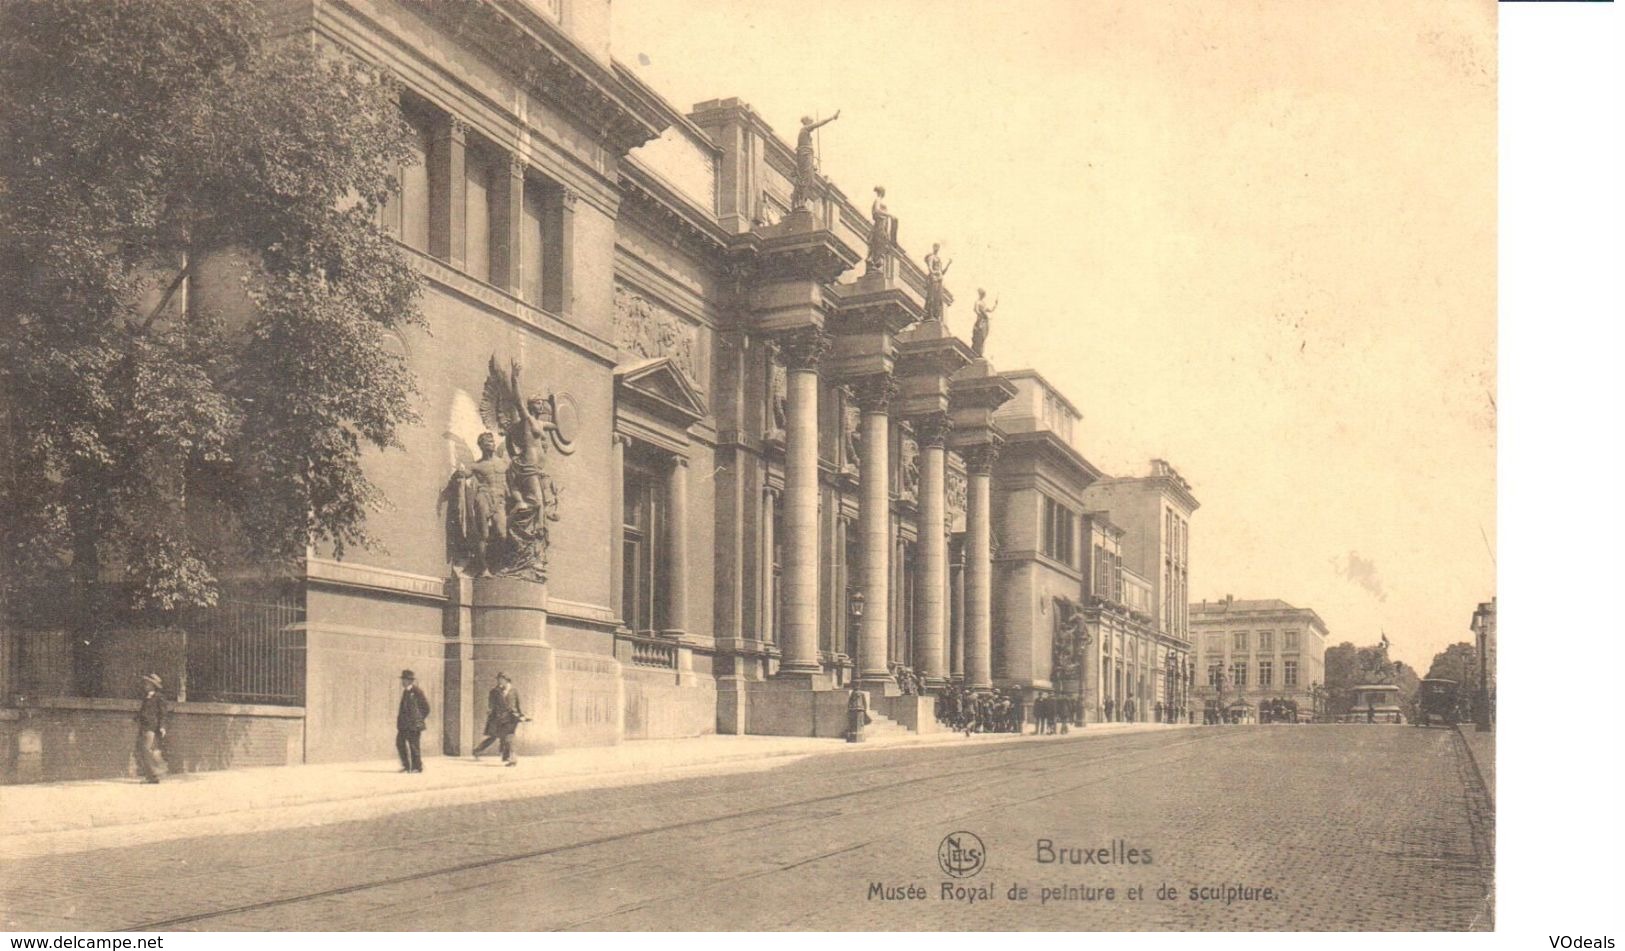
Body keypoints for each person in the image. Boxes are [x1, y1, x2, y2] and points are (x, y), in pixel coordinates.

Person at [473, 672, 526, 766]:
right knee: (494, 737)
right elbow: (491, 705)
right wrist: (490, 712)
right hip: (498, 718)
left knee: (509, 737)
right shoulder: (494, 691)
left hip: (511, 718)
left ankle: (512, 759)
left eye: (501, 679)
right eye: (498, 679)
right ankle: (478, 750)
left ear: (507, 680)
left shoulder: (514, 691)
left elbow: (517, 705)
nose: (499, 681)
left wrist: (521, 716)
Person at [133, 673, 167, 784]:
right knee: (142, 750)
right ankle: (151, 775)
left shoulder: (159, 697)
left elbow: (163, 713)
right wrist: (136, 718)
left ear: (153, 685)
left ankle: (153, 775)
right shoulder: (147, 697)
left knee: (146, 750)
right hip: (144, 726)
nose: (145, 685)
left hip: (151, 727)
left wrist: (162, 726)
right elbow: (143, 711)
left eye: (147, 683)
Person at [396, 669, 431, 773]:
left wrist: (418, 720)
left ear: (410, 681)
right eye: (402, 679)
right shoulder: (405, 692)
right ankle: (407, 766)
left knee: (414, 746)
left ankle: (417, 767)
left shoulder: (417, 692)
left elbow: (426, 708)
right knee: (400, 743)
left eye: (405, 680)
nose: (403, 682)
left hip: (414, 725)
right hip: (404, 725)